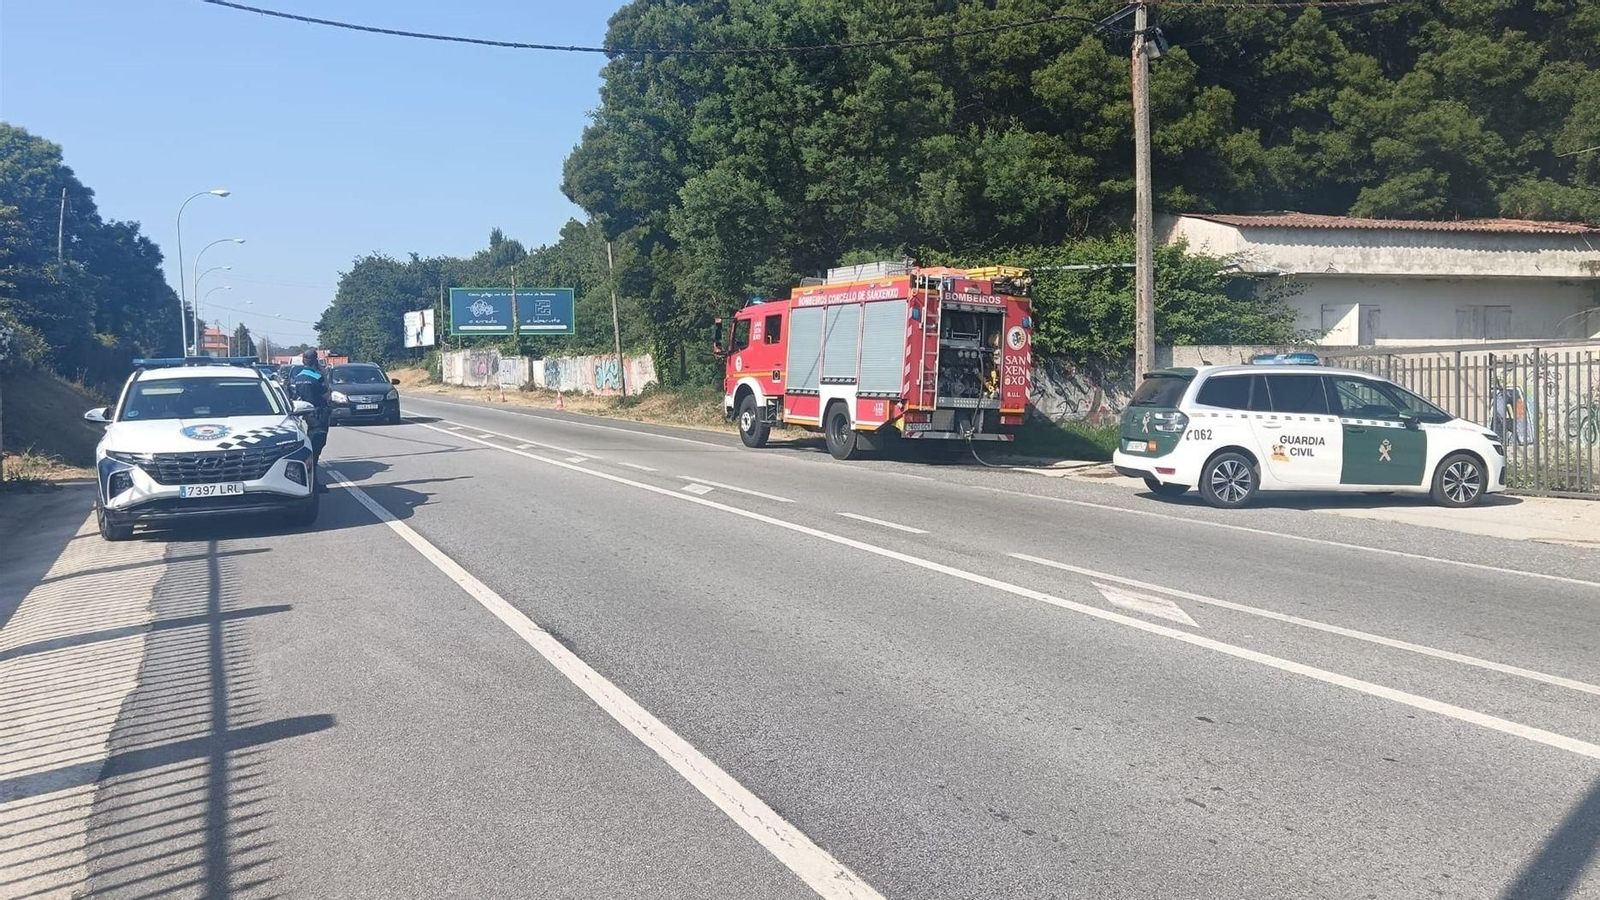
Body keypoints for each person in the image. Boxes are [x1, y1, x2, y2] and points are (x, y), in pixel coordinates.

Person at [289, 350, 330, 461]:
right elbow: (326, 394)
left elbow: (294, 395)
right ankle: (312, 464)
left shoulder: (298, 377)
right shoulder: (317, 376)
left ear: (303, 361)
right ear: (315, 361)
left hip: (304, 413)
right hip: (319, 413)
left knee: (311, 437)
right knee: (318, 441)